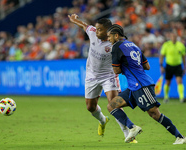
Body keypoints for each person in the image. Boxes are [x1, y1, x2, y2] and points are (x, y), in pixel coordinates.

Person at [106, 24, 186, 144]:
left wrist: (126, 67)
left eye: (109, 36)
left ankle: (180, 137)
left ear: (116, 35)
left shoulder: (116, 47)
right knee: (111, 106)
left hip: (142, 85)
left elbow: (116, 70)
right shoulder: (133, 45)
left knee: (154, 114)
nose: (108, 39)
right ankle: (132, 127)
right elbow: (147, 66)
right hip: (134, 87)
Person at [68, 14, 138, 143]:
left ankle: (128, 134)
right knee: (90, 107)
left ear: (108, 31)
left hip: (109, 76)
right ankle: (102, 120)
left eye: (100, 29)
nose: (97, 31)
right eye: (96, 28)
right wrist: (74, 20)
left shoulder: (115, 44)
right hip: (92, 76)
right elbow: (84, 25)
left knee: (113, 103)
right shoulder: (93, 32)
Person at [159, 32, 186, 103]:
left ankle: (181, 97)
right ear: (170, 37)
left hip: (178, 66)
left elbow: (183, 56)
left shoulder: (181, 45)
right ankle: (166, 97)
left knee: (179, 81)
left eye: (175, 36)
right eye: (172, 36)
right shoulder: (166, 45)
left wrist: (184, 66)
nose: (174, 38)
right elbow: (162, 55)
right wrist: (161, 66)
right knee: (168, 82)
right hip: (169, 66)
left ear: (177, 37)